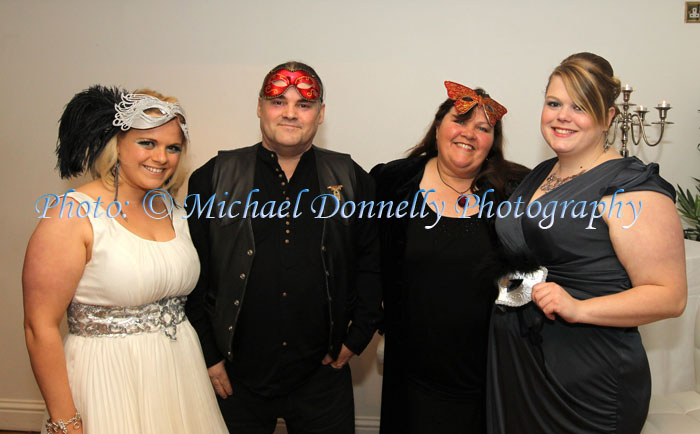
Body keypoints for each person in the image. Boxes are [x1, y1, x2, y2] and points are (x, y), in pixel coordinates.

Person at [487, 52, 688, 434]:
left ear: (608, 118)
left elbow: (670, 296)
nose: (562, 116)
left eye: (580, 106)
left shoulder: (630, 187)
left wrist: (578, 308)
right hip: (520, 364)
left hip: (585, 380)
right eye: (554, 103)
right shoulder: (542, 173)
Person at [185, 61, 382, 434]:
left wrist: (358, 337)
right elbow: (194, 276)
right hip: (234, 377)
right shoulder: (212, 177)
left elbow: (370, 265)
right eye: (278, 100)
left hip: (322, 376)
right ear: (259, 107)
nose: (290, 113)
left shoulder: (353, 179)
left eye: (304, 104)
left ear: (320, 114)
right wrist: (209, 356)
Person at [22, 86, 228, 433]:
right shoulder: (72, 215)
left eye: (172, 147)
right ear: (117, 144)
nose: (161, 157)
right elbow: (38, 327)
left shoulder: (173, 210)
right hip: (107, 379)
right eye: (147, 143)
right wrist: (65, 422)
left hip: (179, 376)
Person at [370, 81, 529, 434]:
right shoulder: (392, 182)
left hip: (488, 370)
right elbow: (364, 260)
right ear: (438, 125)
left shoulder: (515, 190)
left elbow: (536, 269)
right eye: (460, 120)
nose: (469, 133)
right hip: (413, 371)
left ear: (492, 143)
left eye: (483, 128)